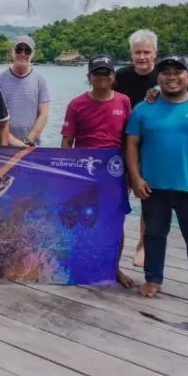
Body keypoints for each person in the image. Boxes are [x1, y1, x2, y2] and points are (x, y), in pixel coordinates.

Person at [125, 56, 188, 310]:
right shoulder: (143, 109)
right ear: (158, 77)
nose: (172, 77)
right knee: (153, 234)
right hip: (153, 187)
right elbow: (132, 144)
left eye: (178, 72)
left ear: (187, 76)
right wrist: (136, 178)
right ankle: (153, 279)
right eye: (166, 72)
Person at [114, 29, 188, 267]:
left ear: (155, 53)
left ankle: (143, 244)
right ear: (131, 54)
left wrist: (161, 91)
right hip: (124, 144)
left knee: (148, 199)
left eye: (146, 52)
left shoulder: (164, 76)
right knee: (119, 197)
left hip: (153, 147)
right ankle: (114, 242)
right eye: (137, 52)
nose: (142, 57)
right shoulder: (121, 76)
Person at [61, 54, 134, 288]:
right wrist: (65, 173)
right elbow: (67, 141)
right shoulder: (76, 104)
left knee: (115, 220)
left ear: (113, 75)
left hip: (115, 172)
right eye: (97, 73)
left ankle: (114, 267)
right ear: (89, 77)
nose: (102, 77)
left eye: (106, 73)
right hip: (85, 171)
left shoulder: (124, 101)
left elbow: (130, 139)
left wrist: (132, 173)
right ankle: (79, 263)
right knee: (82, 218)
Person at [0, 35, 49, 147]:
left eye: (27, 51)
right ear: (12, 52)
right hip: (4, 147)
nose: (22, 54)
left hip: (31, 147)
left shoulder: (40, 81)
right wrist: (13, 142)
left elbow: (43, 115)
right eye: (18, 50)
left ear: (33, 54)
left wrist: (26, 142)